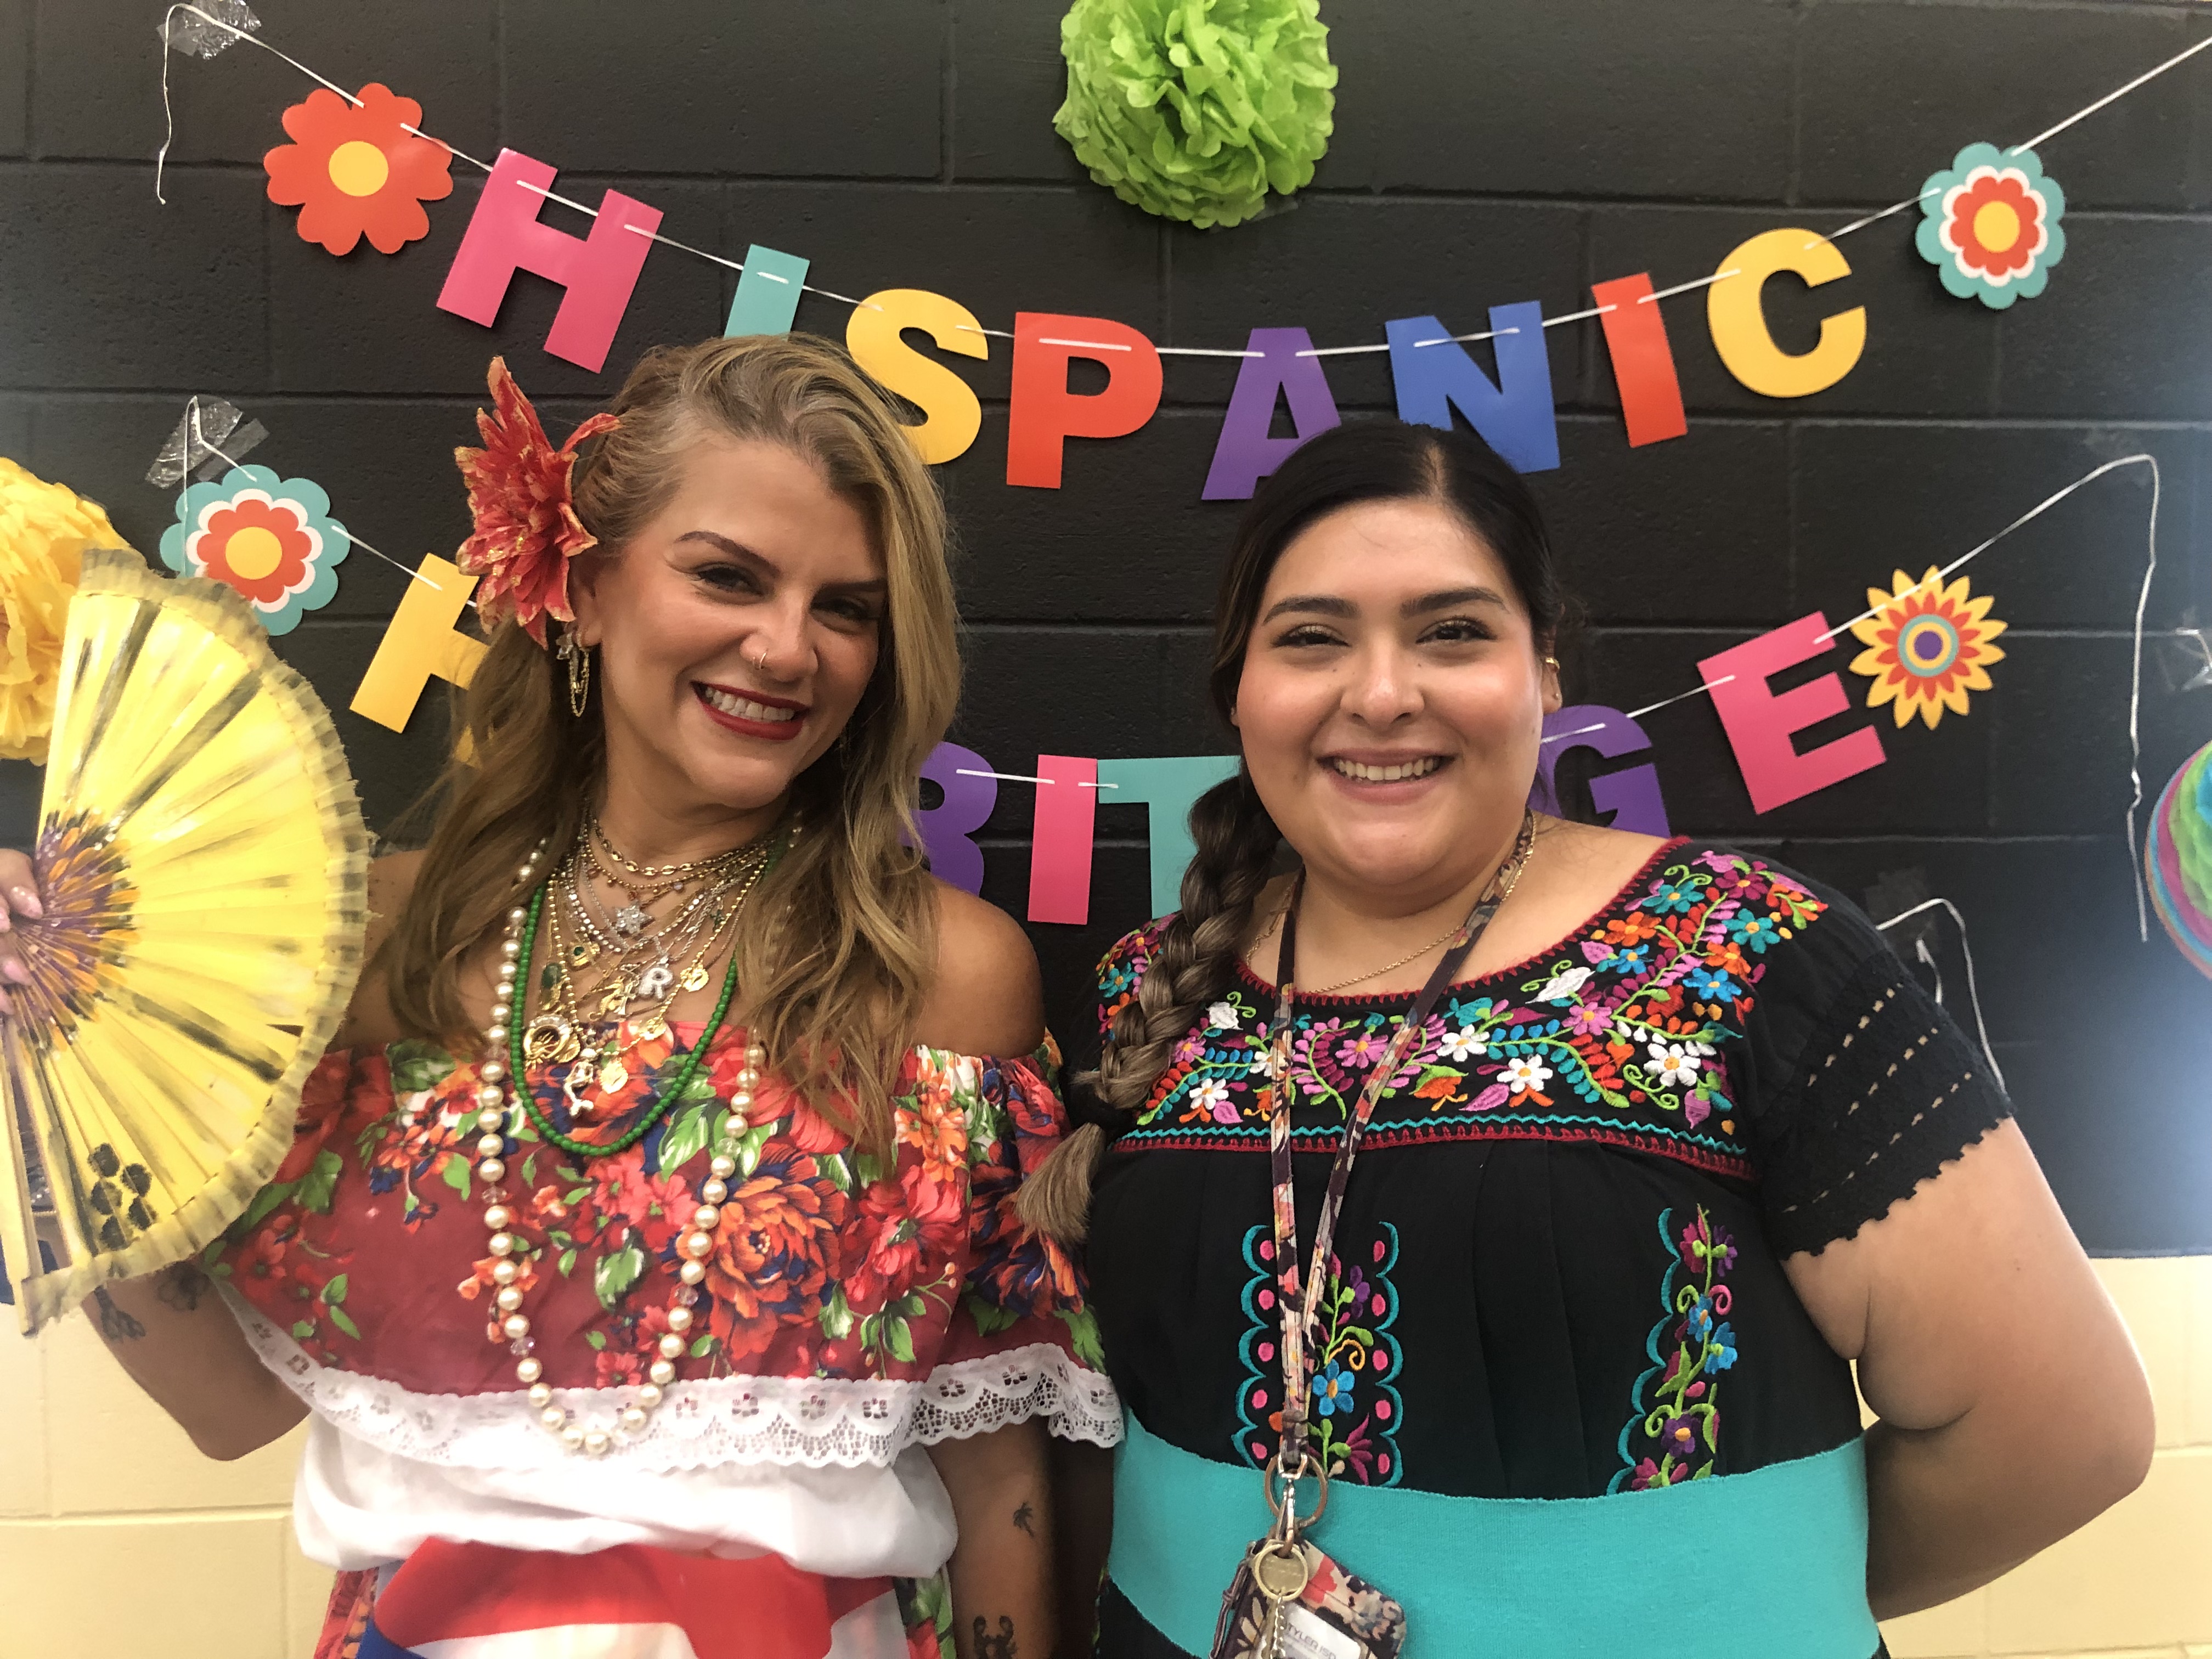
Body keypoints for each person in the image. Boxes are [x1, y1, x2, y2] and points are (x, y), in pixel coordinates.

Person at [0, 335, 1118, 1659]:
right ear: (579, 590)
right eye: (727, 577)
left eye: (847, 609)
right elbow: (229, 1410)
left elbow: (997, 1477)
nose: (785, 647)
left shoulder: (938, 978)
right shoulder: (371, 943)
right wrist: (56, 1058)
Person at [1026, 420, 2155, 1659]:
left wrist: (1695, 1601)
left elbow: (2060, 1434)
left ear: (1547, 669)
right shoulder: (1151, 987)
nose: (1383, 692)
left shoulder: (1747, 959)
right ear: (1240, 685)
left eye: (1454, 631)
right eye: (1312, 638)